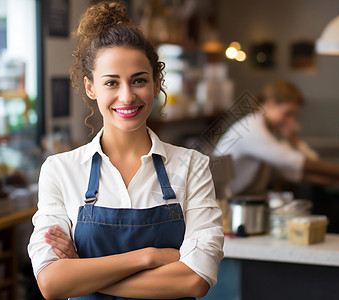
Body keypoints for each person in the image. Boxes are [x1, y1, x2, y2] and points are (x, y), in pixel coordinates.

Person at [27, 2, 223, 299]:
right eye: (111, 83)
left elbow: (195, 280)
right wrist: (148, 257)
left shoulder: (192, 166)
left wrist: (81, 270)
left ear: (157, 83)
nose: (127, 96)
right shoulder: (60, 170)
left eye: (139, 80)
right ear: (91, 88)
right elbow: (51, 283)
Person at [214, 79, 339, 195]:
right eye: (287, 113)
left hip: (239, 202)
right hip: (222, 207)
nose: (291, 121)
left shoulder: (270, 130)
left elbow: (297, 169)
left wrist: (293, 138)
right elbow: (296, 162)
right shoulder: (251, 128)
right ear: (270, 104)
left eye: (294, 116)